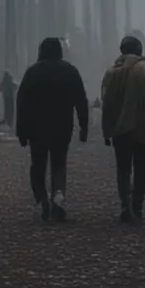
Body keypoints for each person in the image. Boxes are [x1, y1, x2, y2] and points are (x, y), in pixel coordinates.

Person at [15, 36, 90, 223]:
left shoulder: (32, 73)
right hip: (62, 127)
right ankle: (58, 195)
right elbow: (81, 101)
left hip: (36, 128)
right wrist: (84, 126)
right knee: (59, 163)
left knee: (38, 166)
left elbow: (21, 103)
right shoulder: (70, 71)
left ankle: (41, 199)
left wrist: (21, 131)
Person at [101, 35, 145, 223]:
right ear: (139, 50)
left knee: (123, 169)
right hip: (143, 127)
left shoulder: (111, 72)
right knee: (141, 168)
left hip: (119, 130)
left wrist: (106, 130)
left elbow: (106, 104)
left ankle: (125, 203)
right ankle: (137, 205)